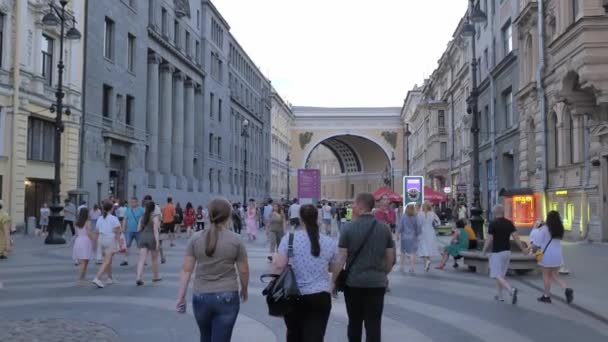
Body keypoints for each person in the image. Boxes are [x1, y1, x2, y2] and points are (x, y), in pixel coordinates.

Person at [176, 198, 250, 342]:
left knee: (205, 336)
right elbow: (244, 270)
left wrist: (181, 296)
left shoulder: (195, 238)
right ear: (228, 216)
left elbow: (186, 270)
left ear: (207, 215)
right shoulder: (236, 240)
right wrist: (244, 288)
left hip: (201, 295)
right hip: (227, 295)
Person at [274, 204, 341, 342]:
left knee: (294, 335)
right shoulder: (329, 241)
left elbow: (280, 265)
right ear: (318, 218)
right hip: (320, 295)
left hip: (294, 294)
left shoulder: (289, 239)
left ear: (300, 218)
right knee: (316, 336)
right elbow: (335, 267)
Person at [335, 193, 396, 342]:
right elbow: (391, 258)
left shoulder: (348, 228)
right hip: (376, 283)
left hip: (353, 284)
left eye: (354, 204)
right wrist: (383, 273)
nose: (352, 206)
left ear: (361, 206)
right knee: (374, 324)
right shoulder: (384, 229)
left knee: (354, 322)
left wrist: (333, 280)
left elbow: (341, 257)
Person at [481, 204, 527, 304]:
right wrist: (523, 249)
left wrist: (484, 251)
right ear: (503, 212)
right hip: (507, 252)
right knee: (501, 275)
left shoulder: (493, 224)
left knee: (496, 274)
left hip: (497, 252)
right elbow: (516, 237)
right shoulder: (509, 223)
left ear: (494, 212)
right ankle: (499, 295)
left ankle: (511, 290)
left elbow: (489, 239)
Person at [535, 211, 574, 304]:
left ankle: (546, 296)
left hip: (547, 255)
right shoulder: (560, 228)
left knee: (546, 276)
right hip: (558, 254)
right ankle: (566, 288)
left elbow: (538, 243)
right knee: (555, 275)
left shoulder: (545, 228)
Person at [92, 201, 122, 288]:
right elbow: (117, 230)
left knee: (108, 260)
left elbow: (96, 231)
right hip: (110, 239)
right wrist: (119, 241)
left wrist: (94, 243)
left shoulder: (100, 218)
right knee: (107, 261)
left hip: (101, 239)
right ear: (112, 208)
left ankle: (109, 278)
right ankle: (97, 278)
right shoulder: (113, 218)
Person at [136, 200, 162, 286]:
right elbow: (156, 231)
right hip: (152, 238)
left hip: (143, 237)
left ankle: (139, 277)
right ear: (154, 208)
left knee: (141, 259)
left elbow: (138, 229)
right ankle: (155, 276)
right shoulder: (155, 217)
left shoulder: (142, 217)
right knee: (154, 259)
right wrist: (157, 242)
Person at [396, 203, 422, 273]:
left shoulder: (403, 216)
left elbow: (400, 226)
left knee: (403, 252)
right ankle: (412, 267)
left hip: (404, 237)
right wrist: (417, 234)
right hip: (413, 237)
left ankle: (402, 267)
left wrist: (398, 234)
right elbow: (418, 227)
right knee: (412, 253)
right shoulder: (415, 217)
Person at [417, 202, 441, 271]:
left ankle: (426, 262)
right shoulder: (433, 213)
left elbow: (418, 223)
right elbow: (438, 222)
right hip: (430, 230)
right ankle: (427, 262)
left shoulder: (420, 213)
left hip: (423, 231)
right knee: (429, 246)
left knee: (423, 246)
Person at [121, 197, 144, 266]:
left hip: (139, 231)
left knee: (140, 246)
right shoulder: (128, 210)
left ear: (137, 202)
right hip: (129, 230)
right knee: (127, 245)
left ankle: (142, 260)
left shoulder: (141, 210)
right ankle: (125, 260)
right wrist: (123, 229)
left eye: (134, 202)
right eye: (131, 202)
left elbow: (144, 219)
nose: (132, 203)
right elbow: (125, 219)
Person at [73, 207, 93, 284]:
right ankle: (80, 279)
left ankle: (83, 278)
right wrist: (93, 239)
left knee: (83, 261)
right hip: (86, 241)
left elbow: (76, 233)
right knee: (85, 261)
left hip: (78, 240)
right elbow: (88, 233)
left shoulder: (76, 222)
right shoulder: (88, 222)